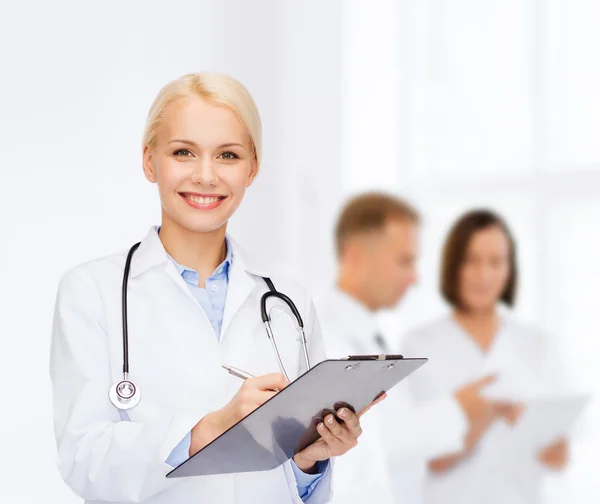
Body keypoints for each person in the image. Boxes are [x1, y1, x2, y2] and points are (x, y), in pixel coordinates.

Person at [49, 72, 381, 504]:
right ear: (150, 161)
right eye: (183, 152)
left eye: (227, 155)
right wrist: (211, 429)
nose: (206, 176)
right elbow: (84, 460)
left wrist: (310, 460)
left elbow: (292, 475)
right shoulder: (92, 291)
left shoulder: (289, 302)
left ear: (252, 168)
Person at [315, 193, 498, 503]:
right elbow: (365, 448)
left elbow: (403, 450)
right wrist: (458, 409)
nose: (414, 278)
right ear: (355, 255)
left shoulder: (373, 335)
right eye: (404, 261)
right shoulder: (323, 339)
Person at [403, 209, 568, 504]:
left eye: (495, 262)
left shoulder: (539, 344)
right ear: (453, 266)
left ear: (510, 269)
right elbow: (429, 458)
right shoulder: (419, 345)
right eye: (471, 261)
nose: (484, 274)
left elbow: (558, 458)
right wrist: (488, 411)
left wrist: (542, 437)